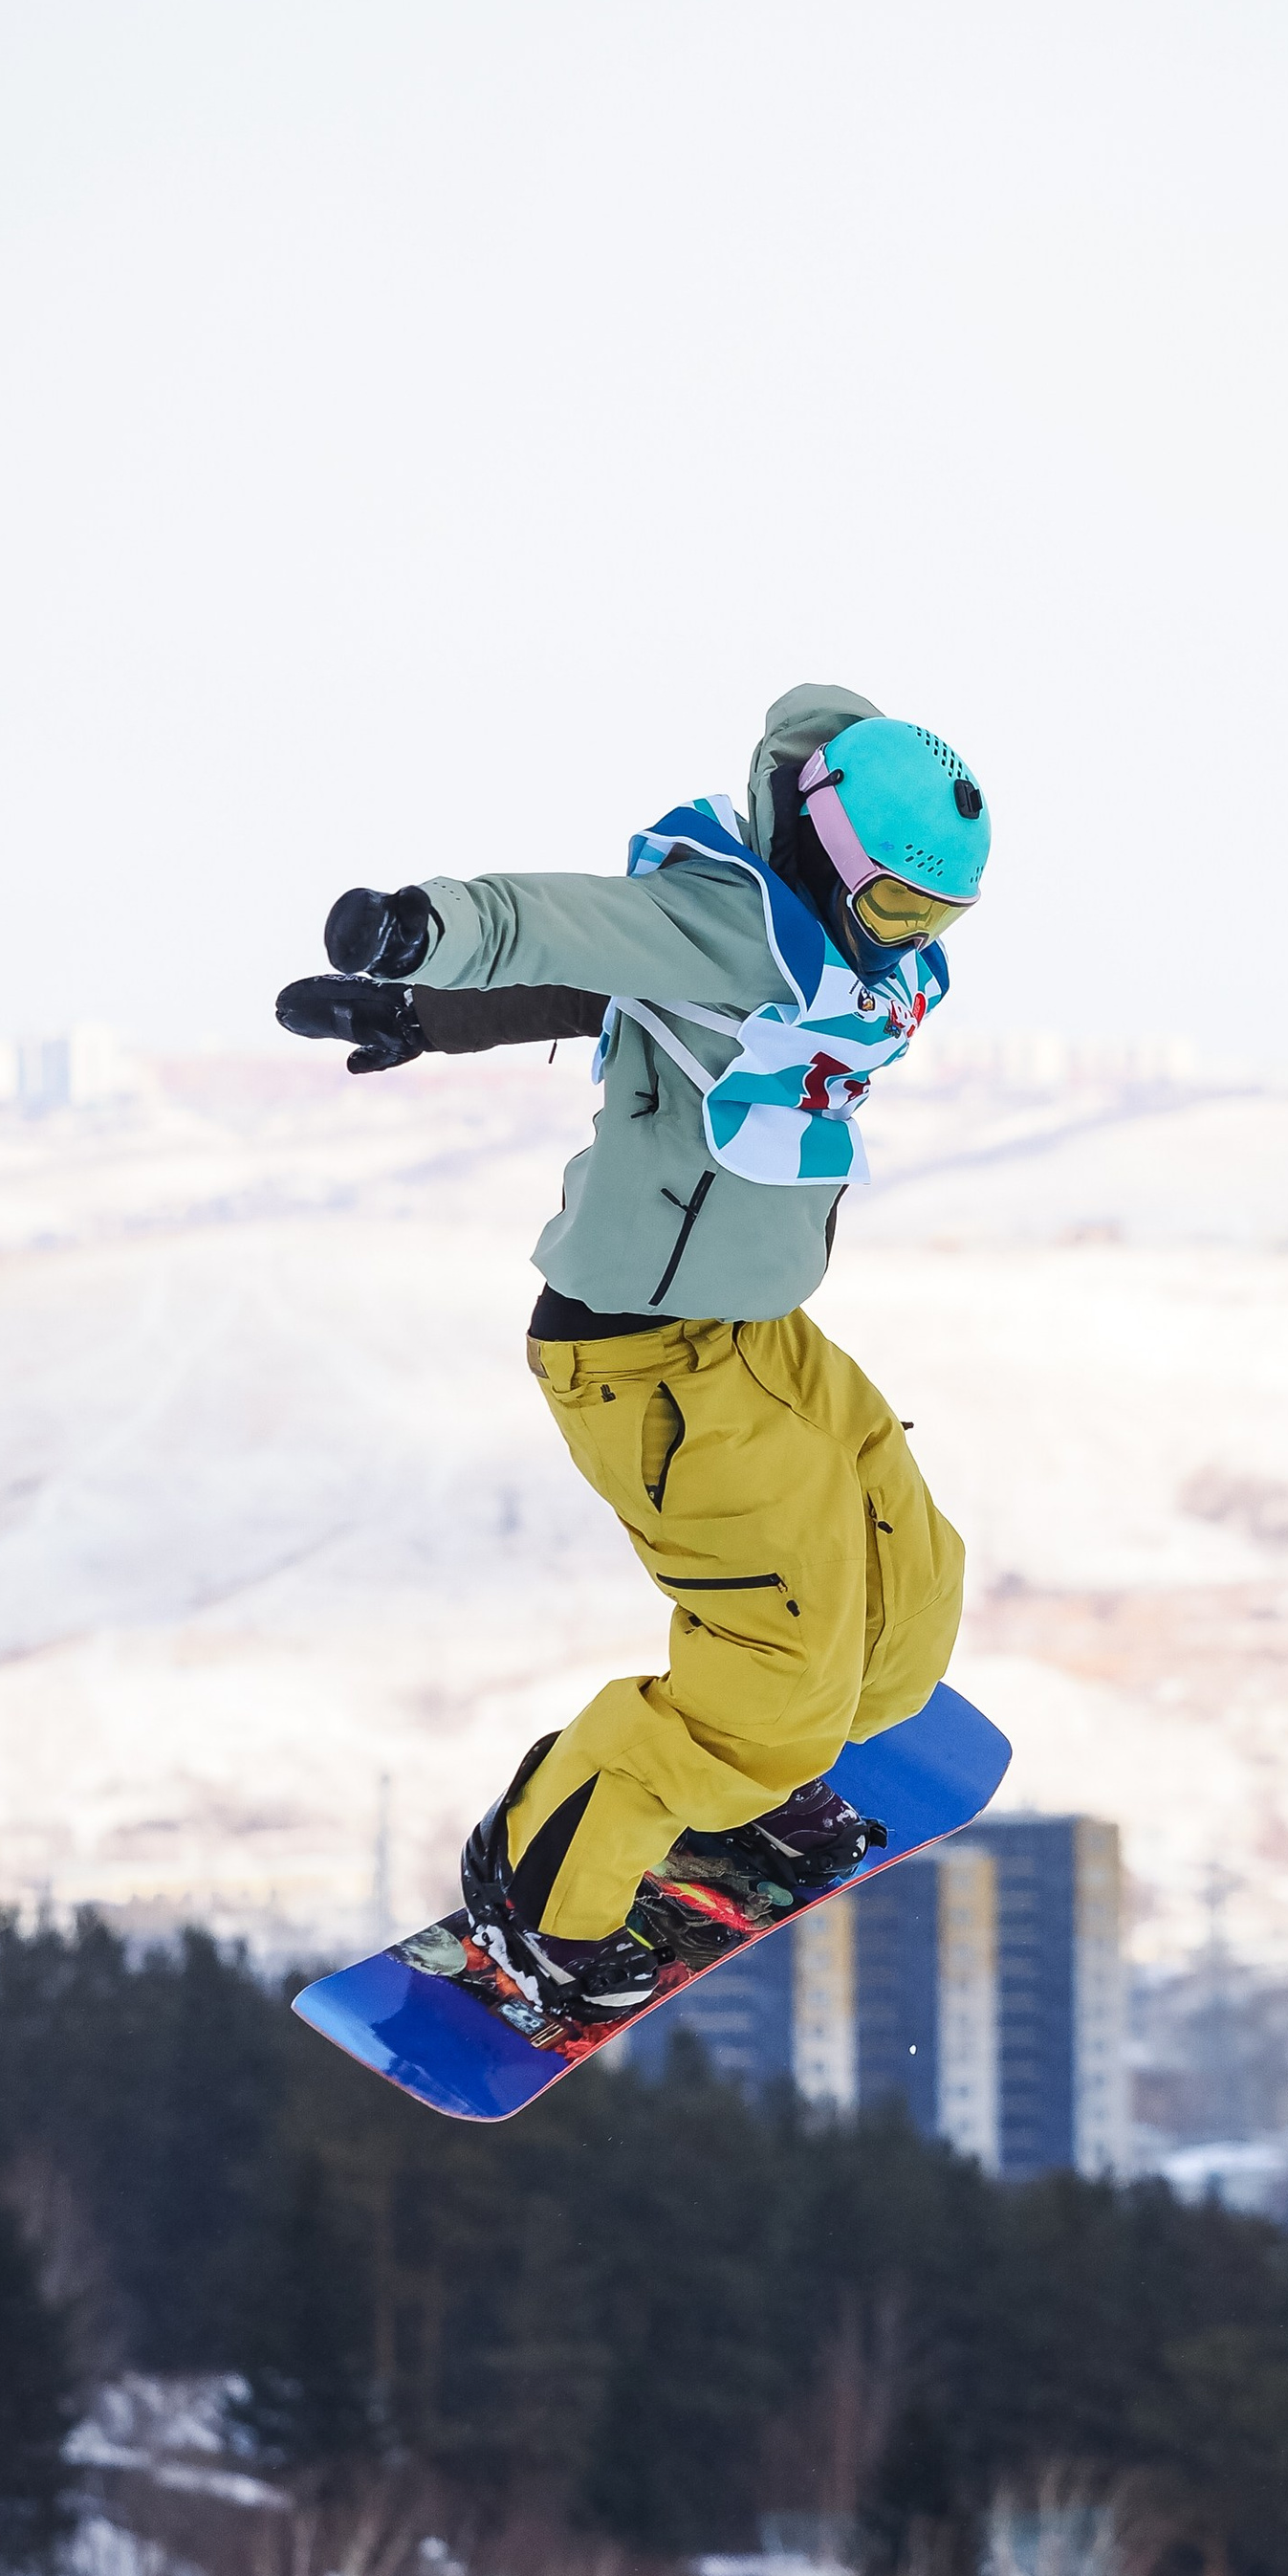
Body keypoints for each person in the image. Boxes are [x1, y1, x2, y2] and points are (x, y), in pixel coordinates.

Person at [276, 687, 990, 2041]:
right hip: (644, 1359)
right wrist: (424, 934)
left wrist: (428, 1022)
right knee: (774, 1660)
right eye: (898, 906)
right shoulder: (722, 922)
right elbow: (565, 925)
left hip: (758, 1332)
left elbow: (610, 996)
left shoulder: (851, 956)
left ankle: (761, 1782)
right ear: (829, 847)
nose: (907, 940)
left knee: (905, 1590)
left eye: (936, 920)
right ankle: (541, 1902)